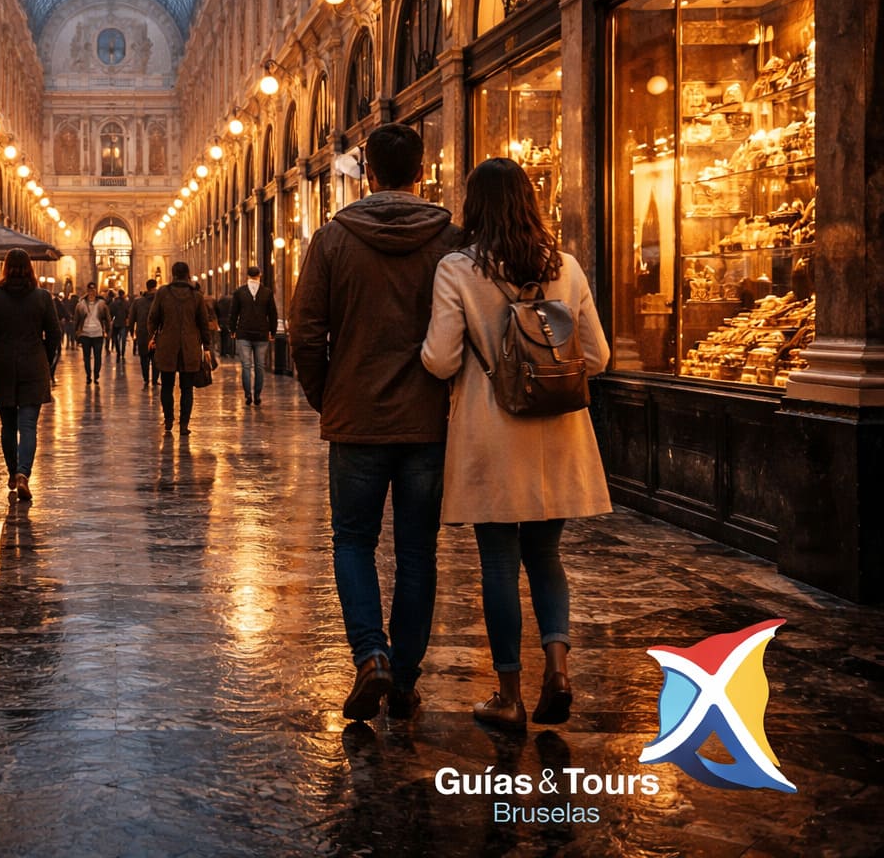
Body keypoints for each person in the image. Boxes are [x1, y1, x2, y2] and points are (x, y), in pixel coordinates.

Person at [420, 156, 611, 729]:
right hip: (558, 435)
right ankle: (558, 669)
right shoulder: (567, 267)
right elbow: (598, 357)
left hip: (491, 432)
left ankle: (508, 694)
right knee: (546, 557)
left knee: (499, 565)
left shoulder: (458, 268)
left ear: (474, 207)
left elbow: (440, 358)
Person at [290, 122, 463, 723]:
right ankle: (406, 678)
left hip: (357, 419)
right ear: (420, 169)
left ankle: (371, 658)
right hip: (429, 421)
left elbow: (306, 330)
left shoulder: (333, 239)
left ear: (368, 172)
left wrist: (325, 394)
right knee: (418, 550)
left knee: (354, 541)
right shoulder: (450, 240)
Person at [0, 248, 61, 501]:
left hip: (2, 365)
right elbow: (55, 335)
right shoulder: (43, 297)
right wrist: (43, 358)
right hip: (33, 364)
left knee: (8, 426)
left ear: (5, 268)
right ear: (30, 268)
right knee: (28, 426)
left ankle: (13, 473)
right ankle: (24, 473)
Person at [148, 261, 212, 435]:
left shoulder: (163, 293)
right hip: (189, 347)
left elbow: (153, 317)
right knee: (187, 388)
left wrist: (153, 336)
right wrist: (206, 346)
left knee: (167, 386)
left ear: (173, 274)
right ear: (188, 274)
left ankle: (169, 420)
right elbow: (203, 324)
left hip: (167, 346)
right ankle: (184, 425)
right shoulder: (196, 296)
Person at [231, 265, 279, 407]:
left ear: (247, 275)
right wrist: (273, 331)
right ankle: (257, 394)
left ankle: (248, 395)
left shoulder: (240, 292)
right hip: (261, 333)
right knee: (259, 366)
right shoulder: (267, 292)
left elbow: (234, 313)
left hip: (244, 333)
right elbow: (273, 314)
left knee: (246, 366)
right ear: (260, 274)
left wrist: (232, 329)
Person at [74, 282, 112, 383]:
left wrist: (108, 331)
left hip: (98, 333)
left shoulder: (101, 304)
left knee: (97, 356)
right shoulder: (80, 304)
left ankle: (96, 374)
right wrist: (76, 334)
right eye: (90, 290)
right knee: (86, 357)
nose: (91, 292)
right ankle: (88, 375)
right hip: (85, 333)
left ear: (96, 291)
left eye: (93, 290)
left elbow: (108, 318)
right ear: (87, 291)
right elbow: (76, 320)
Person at [130, 278, 158, 386]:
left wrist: (131, 331)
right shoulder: (160, 300)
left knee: (144, 357)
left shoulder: (138, 301)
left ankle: (146, 378)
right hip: (157, 334)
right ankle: (155, 379)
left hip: (142, 333)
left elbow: (132, 318)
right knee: (156, 357)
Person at [109, 288, 131, 358]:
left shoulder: (113, 303)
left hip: (116, 323)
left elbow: (111, 313)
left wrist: (111, 320)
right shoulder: (126, 303)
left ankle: (118, 351)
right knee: (123, 339)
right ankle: (122, 353)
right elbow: (128, 313)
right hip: (123, 323)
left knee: (116, 338)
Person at [213, 291, 234, 357]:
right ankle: (230, 352)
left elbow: (217, 311)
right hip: (229, 321)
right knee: (229, 337)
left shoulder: (220, 302)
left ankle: (222, 352)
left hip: (221, 321)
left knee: (222, 337)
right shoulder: (232, 301)